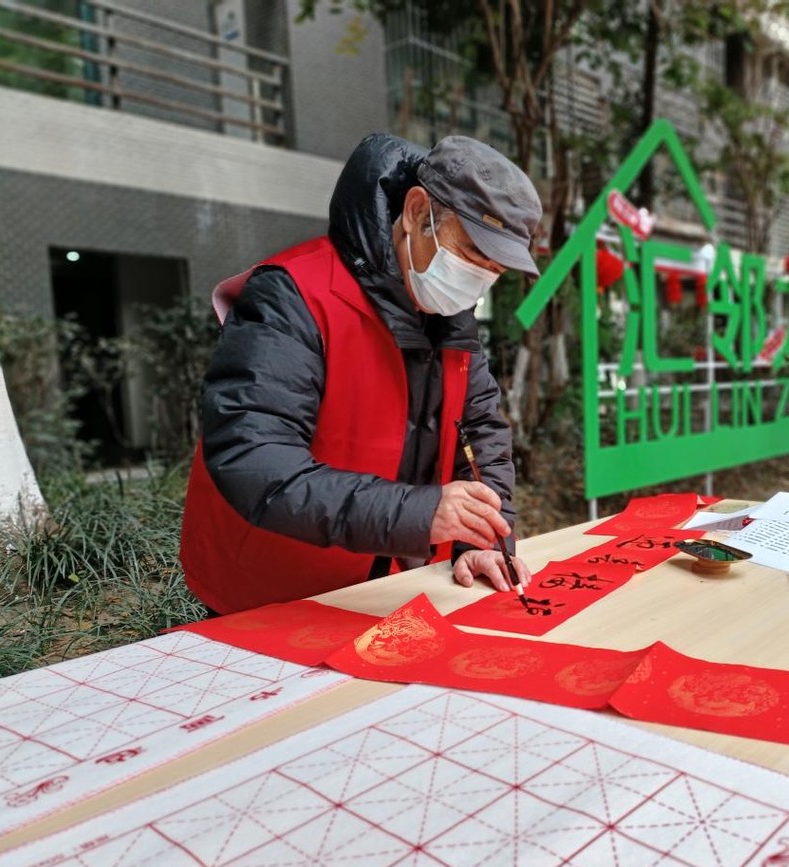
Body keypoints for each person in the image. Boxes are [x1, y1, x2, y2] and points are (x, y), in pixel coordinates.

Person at [180, 133, 540, 615]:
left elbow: (481, 435)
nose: (478, 279)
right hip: (273, 590)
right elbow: (253, 455)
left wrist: (481, 540)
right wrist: (418, 512)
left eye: (493, 270)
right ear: (416, 212)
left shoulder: (451, 316)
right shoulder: (295, 294)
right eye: (473, 253)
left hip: (384, 590)